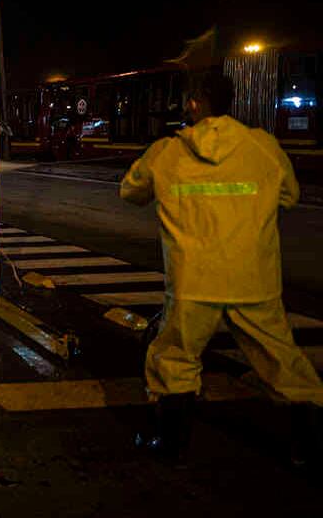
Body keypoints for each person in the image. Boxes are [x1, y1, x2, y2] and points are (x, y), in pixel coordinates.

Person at [121, 68, 322, 464]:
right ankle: (311, 447)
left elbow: (130, 191)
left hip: (193, 282)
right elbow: (289, 195)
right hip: (254, 280)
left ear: (193, 103)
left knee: (175, 358)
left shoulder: (167, 152)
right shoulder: (262, 146)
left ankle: (171, 444)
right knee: (283, 362)